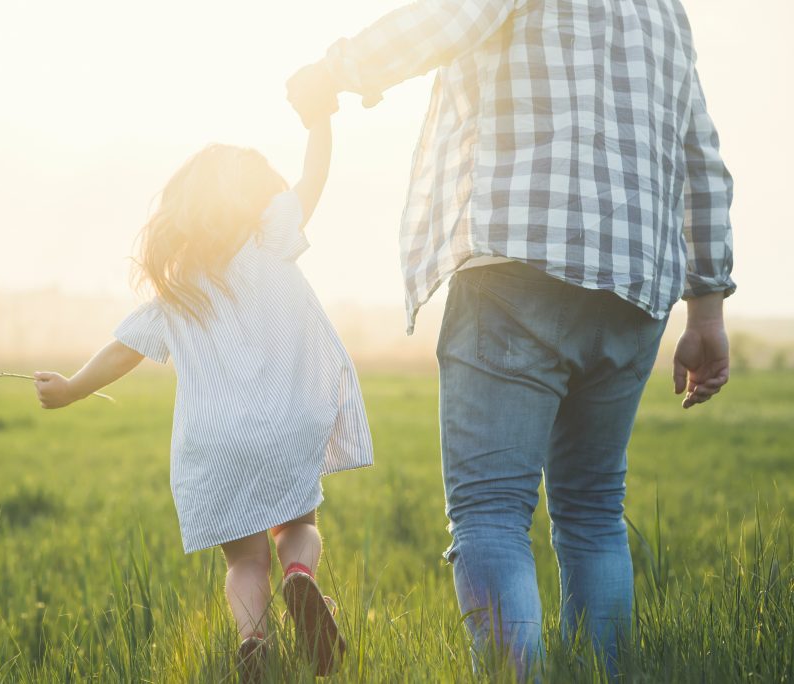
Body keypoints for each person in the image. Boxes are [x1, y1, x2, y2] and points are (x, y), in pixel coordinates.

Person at [287, 0, 734, 678]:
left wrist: (332, 71)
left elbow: (443, 22)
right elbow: (701, 157)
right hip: (636, 286)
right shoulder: (663, 10)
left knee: (492, 510)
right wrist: (707, 311)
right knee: (593, 510)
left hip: (516, 263)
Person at [33, 116, 372, 682]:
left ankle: (253, 637)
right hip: (286, 424)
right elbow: (314, 177)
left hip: (216, 442)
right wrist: (319, 120)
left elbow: (123, 350)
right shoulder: (273, 238)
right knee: (296, 525)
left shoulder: (180, 284)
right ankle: (300, 577)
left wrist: (70, 389)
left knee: (243, 558)